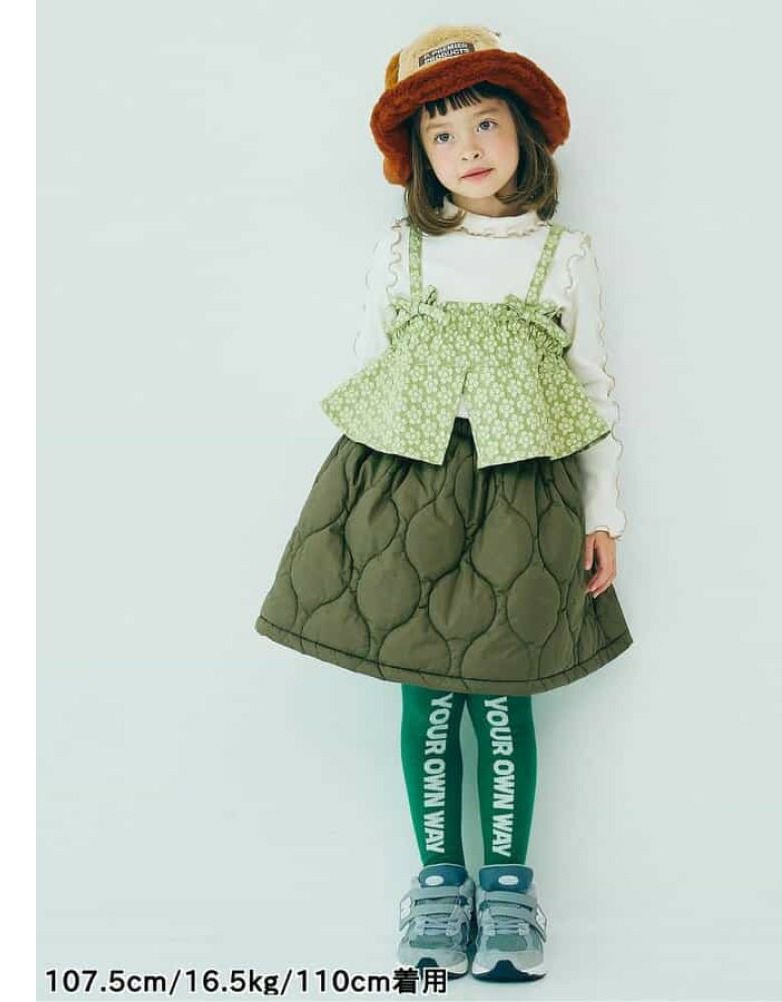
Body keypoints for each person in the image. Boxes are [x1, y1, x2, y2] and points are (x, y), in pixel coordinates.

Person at [254, 24, 635, 983]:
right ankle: (437, 884)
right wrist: (353, 521)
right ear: (419, 158)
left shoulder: (563, 257)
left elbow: (594, 390)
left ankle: (506, 889)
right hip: (406, 495)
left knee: (502, 696)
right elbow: (368, 368)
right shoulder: (404, 253)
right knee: (426, 694)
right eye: (441, 134)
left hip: (523, 499)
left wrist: (603, 516)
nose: (467, 147)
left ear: (525, 135)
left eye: (485, 123)